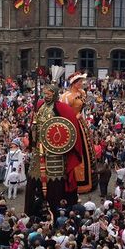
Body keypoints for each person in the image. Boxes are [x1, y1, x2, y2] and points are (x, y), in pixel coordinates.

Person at [25, 83, 83, 215]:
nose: (46, 97)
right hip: (38, 149)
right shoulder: (39, 106)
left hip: (54, 153)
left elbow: (68, 130)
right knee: (34, 179)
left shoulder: (63, 109)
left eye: (49, 94)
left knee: (55, 182)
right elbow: (34, 127)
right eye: (45, 94)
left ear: (55, 95)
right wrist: (33, 130)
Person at [60, 72, 97, 193]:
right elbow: (63, 113)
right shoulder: (66, 96)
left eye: (81, 81)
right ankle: (76, 181)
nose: (82, 83)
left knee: (86, 149)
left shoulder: (82, 93)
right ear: (74, 83)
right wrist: (73, 117)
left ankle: (86, 180)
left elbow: (83, 107)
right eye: (80, 82)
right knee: (77, 149)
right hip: (73, 123)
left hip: (81, 122)